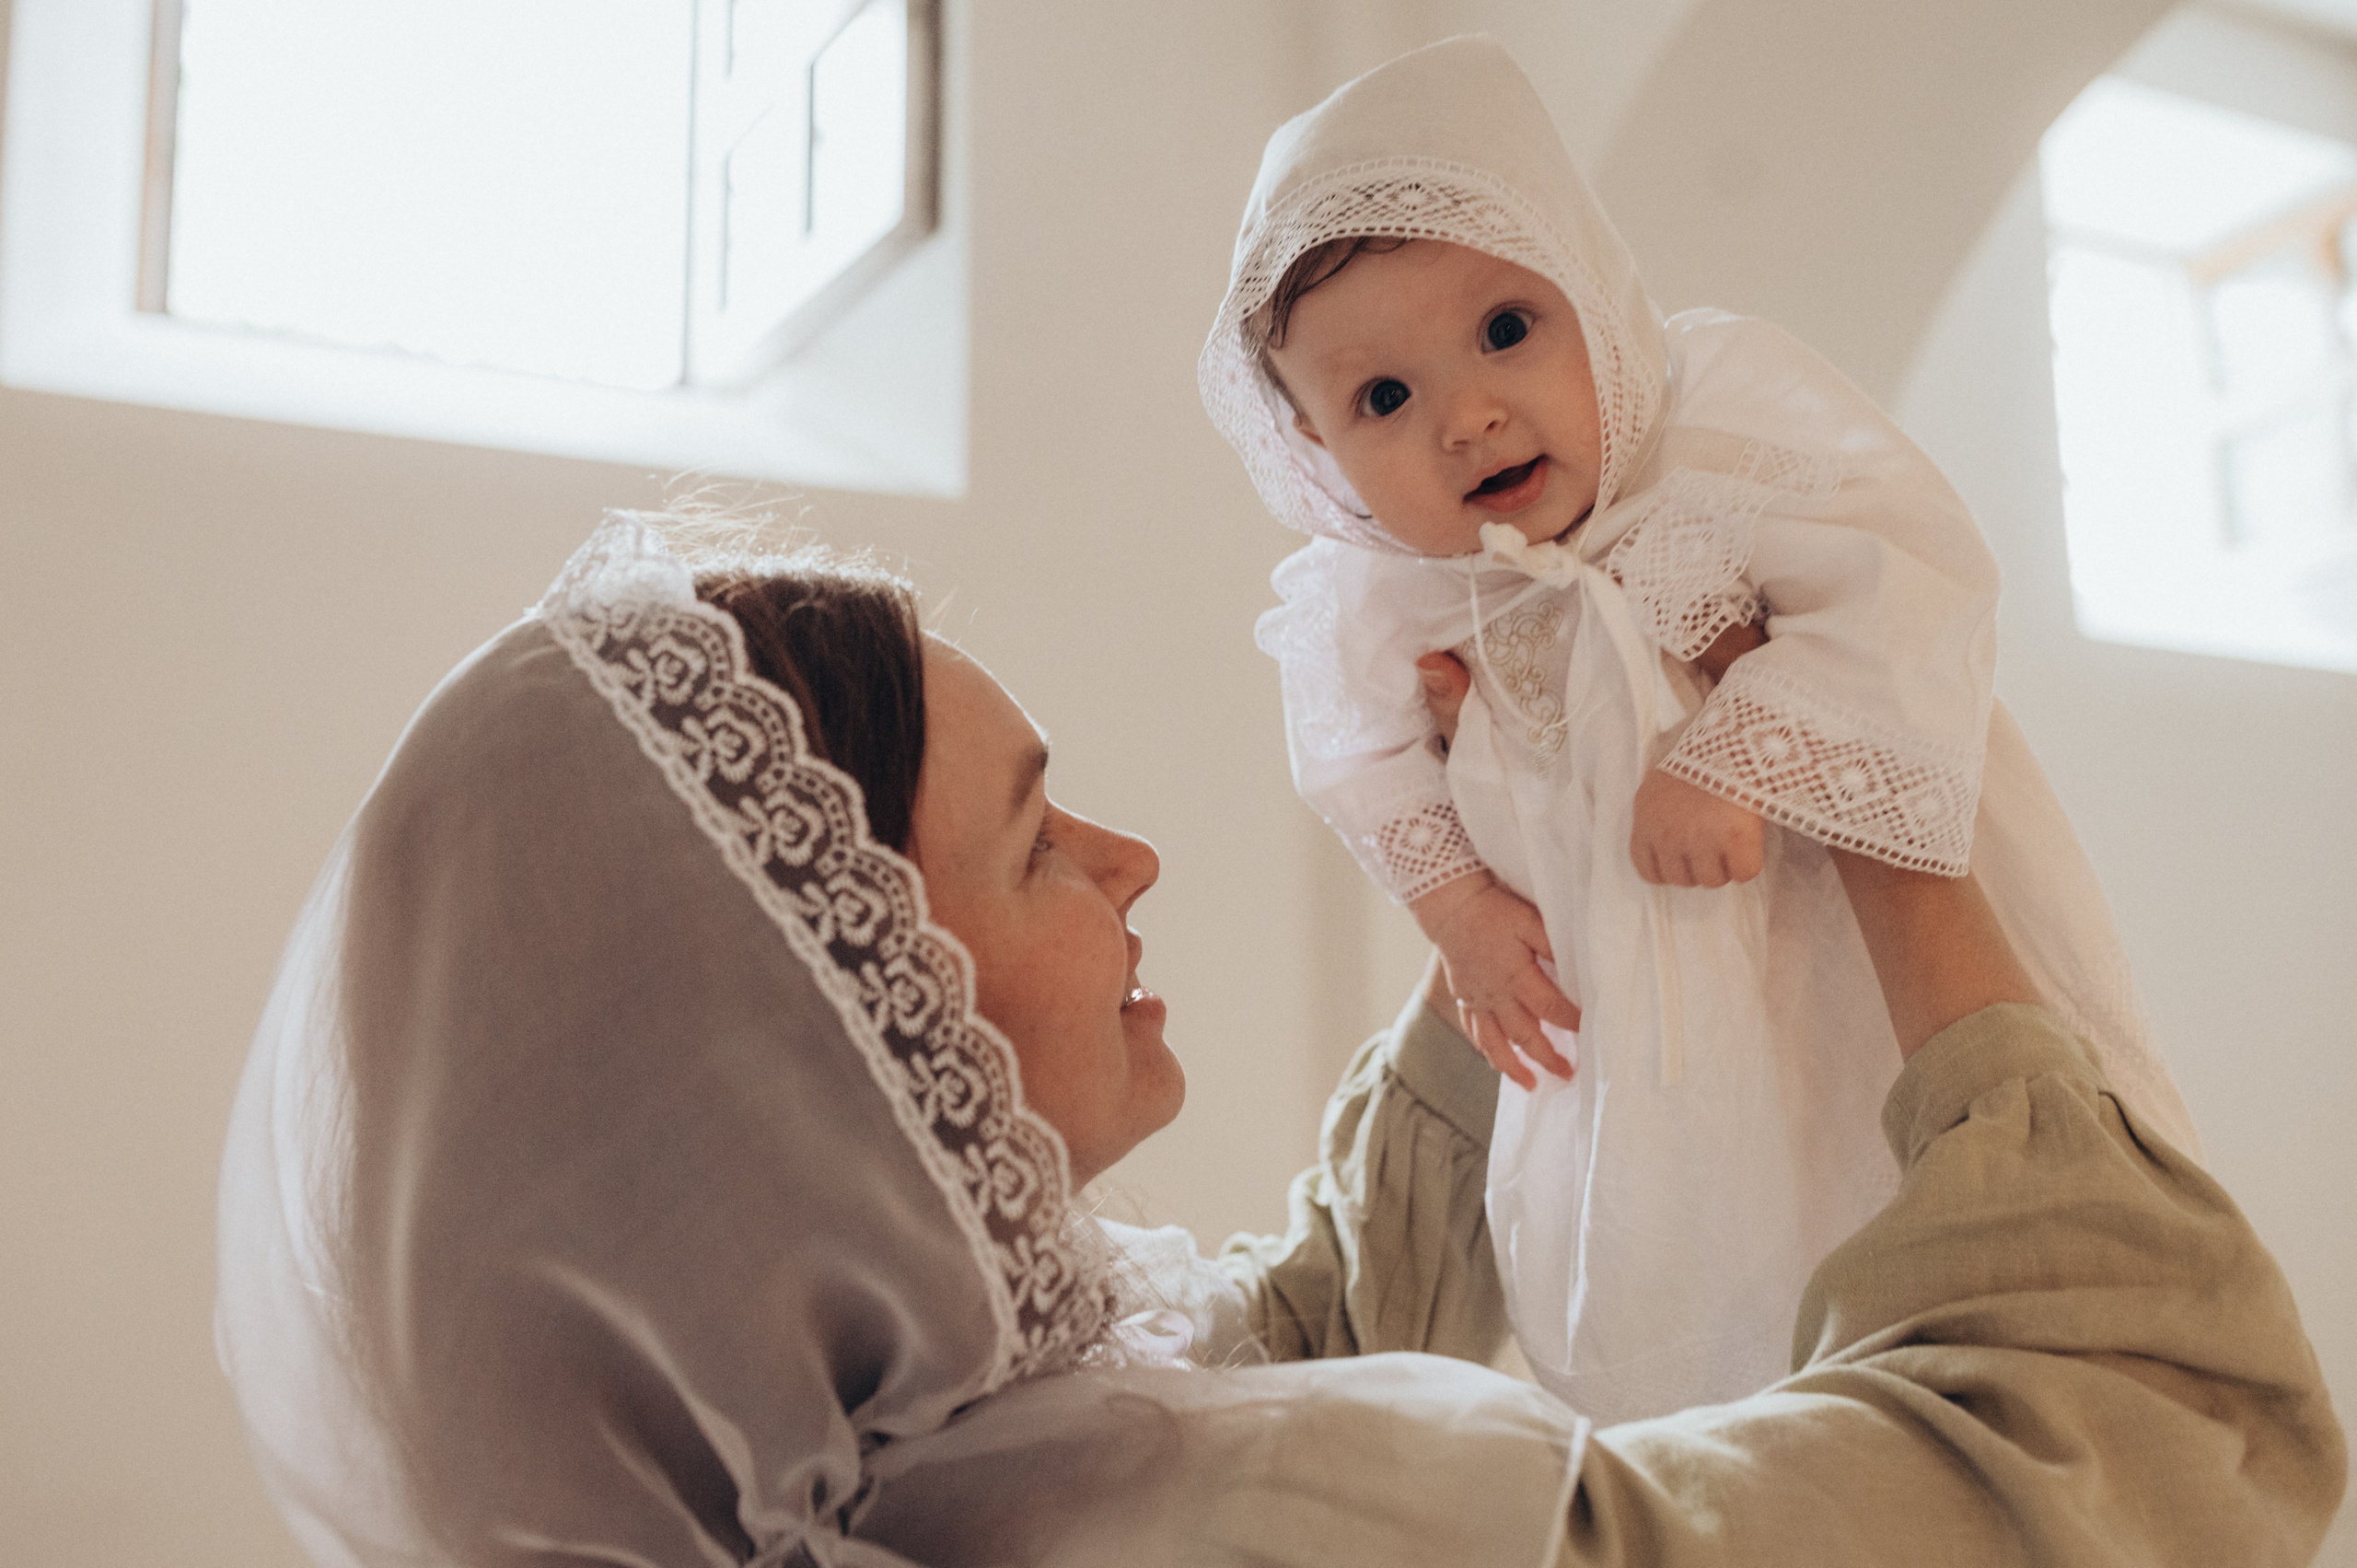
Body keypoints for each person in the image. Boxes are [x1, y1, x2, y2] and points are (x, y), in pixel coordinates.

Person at [216, 517, 2340, 1566]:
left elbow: (1286, 1332)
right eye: (1040, 837)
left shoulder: (913, 1474)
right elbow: (2110, 1454)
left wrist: (1514, 879)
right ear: (831, 1039)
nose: (1132, 861)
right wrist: (1880, 797)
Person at [1197, 34, 2203, 1423]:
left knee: (1874, 1196)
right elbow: (1353, 755)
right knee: (1692, 1287)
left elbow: (1914, 580)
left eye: (1505, 330)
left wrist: (1737, 755)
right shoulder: (1391, 596)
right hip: (1635, 1045)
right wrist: (1459, 909)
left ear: (1597, 292)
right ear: (1315, 452)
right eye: (1383, 398)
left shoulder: (1718, 436)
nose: (1468, 415)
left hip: (1835, 958)